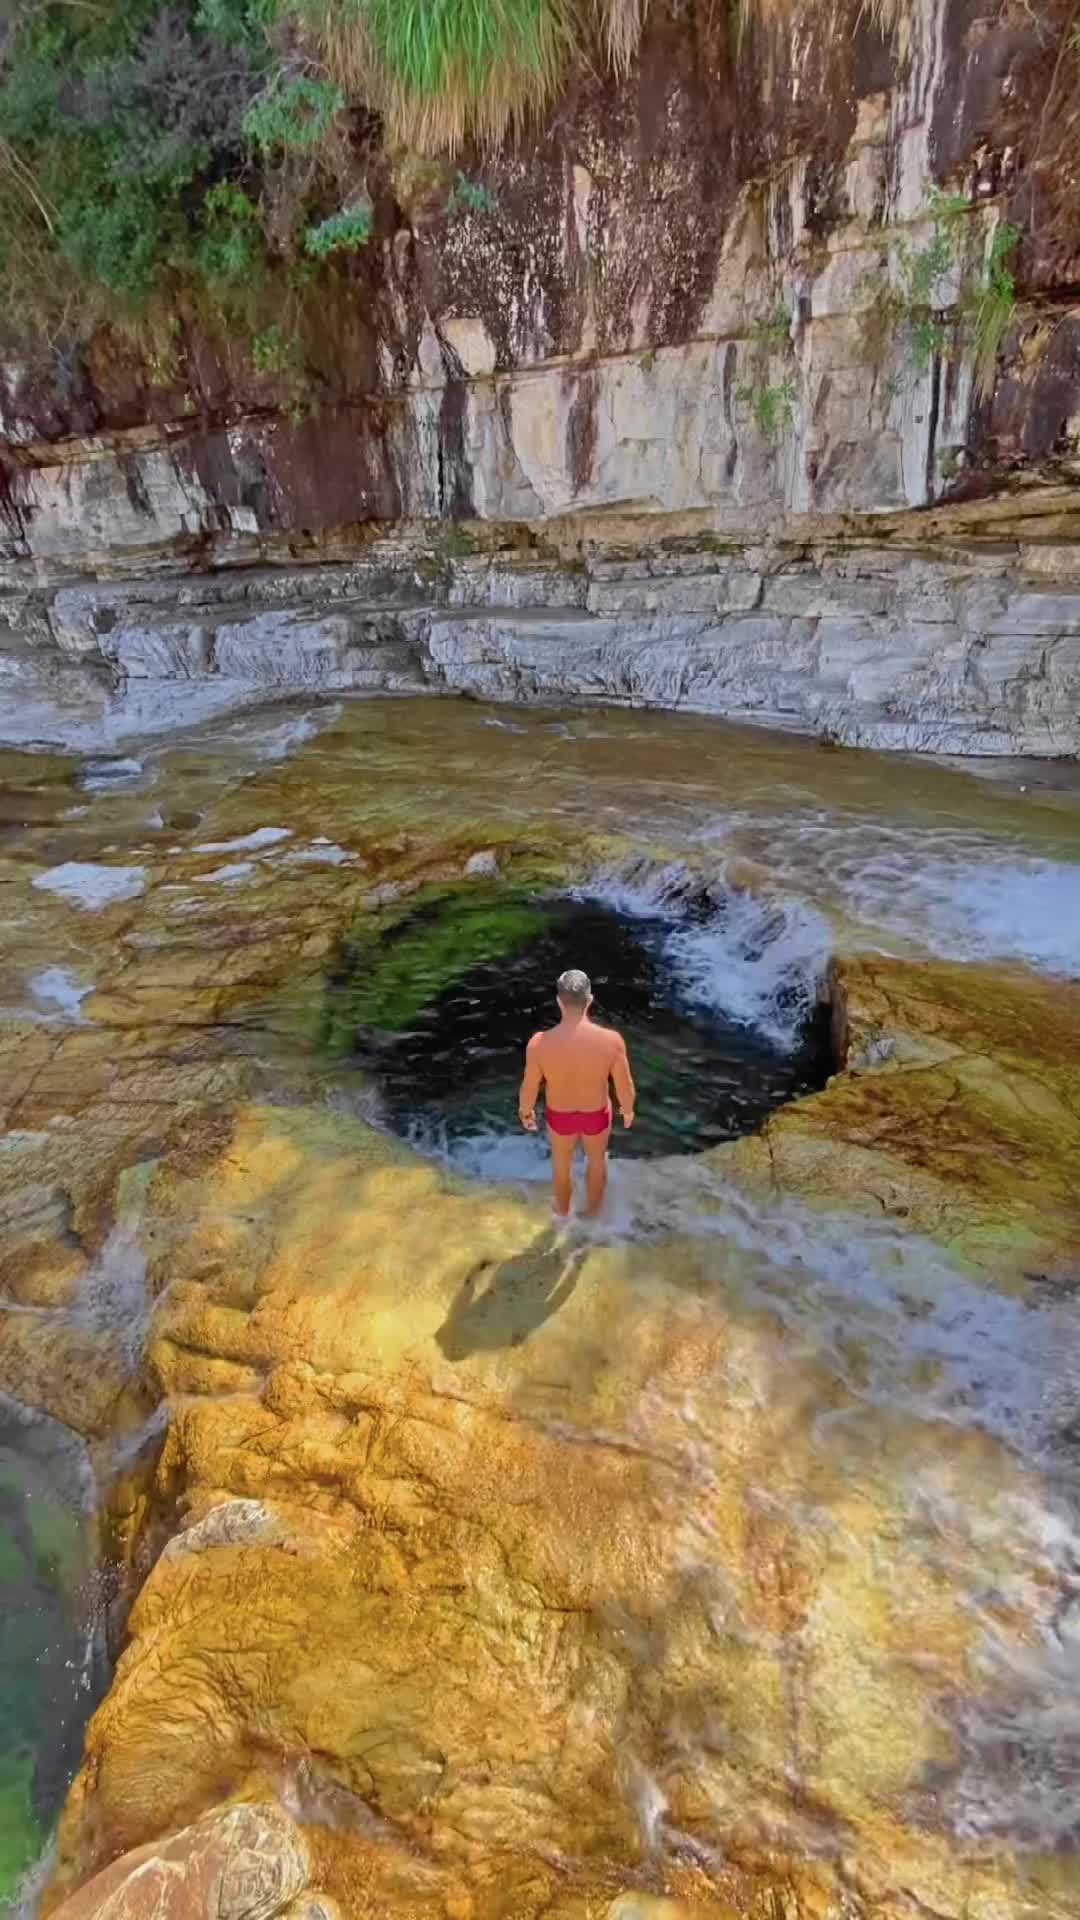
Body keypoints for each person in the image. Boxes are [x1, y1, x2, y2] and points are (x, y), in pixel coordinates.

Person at [518, 968, 635, 1221]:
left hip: (560, 1116)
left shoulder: (539, 1043)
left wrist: (526, 1110)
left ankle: (562, 1215)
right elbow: (624, 1083)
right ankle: (593, 1215)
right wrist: (627, 1108)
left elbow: (530, 1084)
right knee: (596, 1162)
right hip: (596, 1114)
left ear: (559, 1001)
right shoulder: (611, 1040)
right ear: (590, 999)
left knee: (561, 1165)